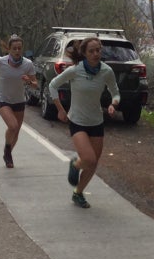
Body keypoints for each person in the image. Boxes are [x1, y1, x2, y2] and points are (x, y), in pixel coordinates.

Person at [49, 37, 120, 208]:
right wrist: (60, 109)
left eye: (98, 50)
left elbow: (115, 92)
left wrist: (113, 104)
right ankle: (75, 164)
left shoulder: (106, 71)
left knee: (93, 162)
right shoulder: (75, 70)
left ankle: (78, 193)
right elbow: (53, 85)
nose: (96, 54)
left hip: (96, 121)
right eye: (91, 51)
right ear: (84, 53)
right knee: (88, 158)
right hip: (78, 121)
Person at [0, 35, 38, 168]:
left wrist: (29, 81)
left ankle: (8, 153)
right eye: (14, 48)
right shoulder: (1, 61)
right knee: (12, 126)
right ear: (9, 49)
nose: (17, 51)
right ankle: (8, 152)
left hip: (19, 101)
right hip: (3, 100)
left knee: (16, 132)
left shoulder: (27, 64)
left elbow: (35, 84)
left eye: (19, 48)